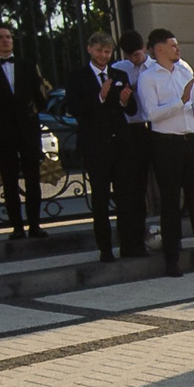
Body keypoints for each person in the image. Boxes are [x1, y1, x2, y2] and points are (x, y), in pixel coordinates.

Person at [134, 28, 194, 274]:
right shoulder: (149, 78)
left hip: (190, 139)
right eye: (172, 45)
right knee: (170, 201)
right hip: (166, 143)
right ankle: (171, 259)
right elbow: (151, 114)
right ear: (159, 48)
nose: (178, 49)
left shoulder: (185, 70)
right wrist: (179, 102)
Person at [0, 23, 45, 242]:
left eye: (9, 37)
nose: (6, 40)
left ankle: (35, 224)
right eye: (0, 37)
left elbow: (41, 96)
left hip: (28, 131)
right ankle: (16, 227)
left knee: (33, 179)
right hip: (3, 134)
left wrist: (29, 112)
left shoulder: (28, 66)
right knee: (9, 180)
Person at [63, 32, 130, 261]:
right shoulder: (77, 77)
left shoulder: (119, 74)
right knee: (100, 197)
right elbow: (73, 108)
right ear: (90, 49)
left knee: (124, 196)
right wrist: (99, 97)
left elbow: (130, 109)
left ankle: (127, 244)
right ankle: (105, 248)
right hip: (95, 145)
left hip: (119, 143)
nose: (104, 55)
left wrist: (124, 100)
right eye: (100, 51)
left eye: (108, 51)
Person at [112, 29, 152, 258]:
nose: (135, 60)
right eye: (130, 56)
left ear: (144, 48)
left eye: (137, 54)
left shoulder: (156, 67)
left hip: (153, 126)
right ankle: (132, 238)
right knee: (133, 186)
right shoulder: (120, 69)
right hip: (131, 129)